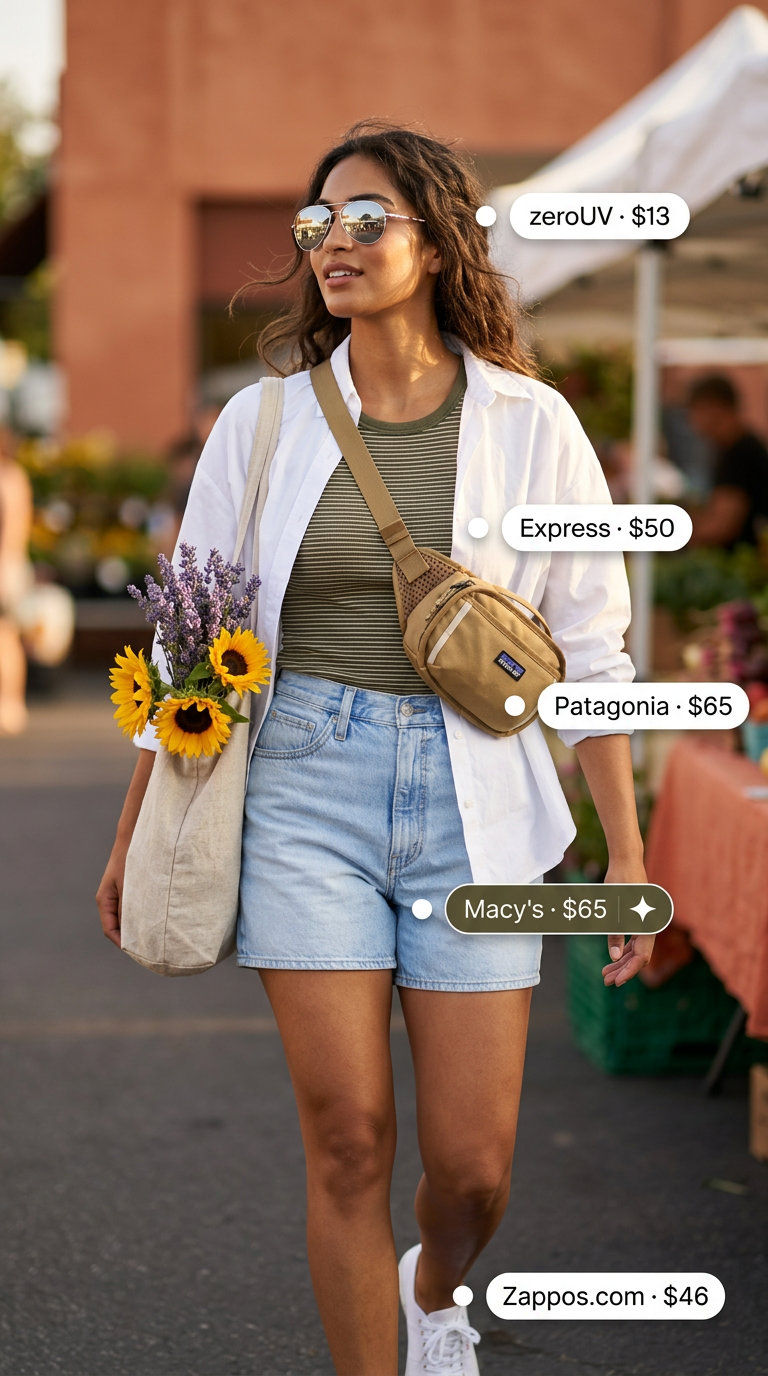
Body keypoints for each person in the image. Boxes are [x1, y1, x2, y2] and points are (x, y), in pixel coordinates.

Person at [96, 120, 653, 1376]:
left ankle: (434, 1286)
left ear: (438, 238)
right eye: (317, 224)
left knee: (473, 1167)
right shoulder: (265, 421)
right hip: (304, 786)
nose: (333, 243)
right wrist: (140, 825)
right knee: (348, 1137)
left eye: (365, 220)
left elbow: (593, 655)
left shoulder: (534, 422)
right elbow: (196, 635)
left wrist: (622, 847)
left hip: (479, 803)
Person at [685, 373, 768, 550]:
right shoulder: (733, 449)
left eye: (695, 410)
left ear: (714, 407)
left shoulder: (740, 453)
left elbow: (723, 526)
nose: (692, 419)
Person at [0, 427, 34, 735]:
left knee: (6, 635)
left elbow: (14, 530)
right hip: (9, 565)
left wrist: (7, 569)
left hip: (5, 566)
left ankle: (11, 703)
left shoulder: (10, 478)